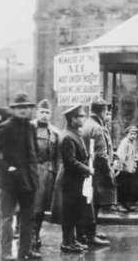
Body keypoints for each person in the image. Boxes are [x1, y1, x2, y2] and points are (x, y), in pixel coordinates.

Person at [0, 93, 40, 261]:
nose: (23, 110)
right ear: (14, 110)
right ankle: (6, 253)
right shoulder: (5, 127)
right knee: (7, 218)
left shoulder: (31, 127)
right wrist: (7, 169)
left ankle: (25, 251)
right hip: (10, 182)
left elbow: (34, 152)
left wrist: (33, 172)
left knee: (27, 219)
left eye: (26, 107)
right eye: (19, 108)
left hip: (29, 181)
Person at [56, 104, 93, 254]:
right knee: (69, 212)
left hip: (77, 180)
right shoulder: (67, 137)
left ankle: (72, 241)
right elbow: (70, 162)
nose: (84, 118)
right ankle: (66, 242)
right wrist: (88, 169)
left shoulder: (75, 134)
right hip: (70, 180)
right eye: (81, 116)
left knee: (76, 210)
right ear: (73, 119)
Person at [81, 96, 116, 247]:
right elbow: (101, 155)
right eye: (107, 111)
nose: (108, 114)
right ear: (102, 112)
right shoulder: (97, 128)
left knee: (88, 202)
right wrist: (109, 175)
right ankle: (90, 235)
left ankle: (87, 233)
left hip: (87, 169)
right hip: (96, 172)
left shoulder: (87, 124)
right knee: (94, 203)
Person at [31, 99, 60, 251]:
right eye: (42, 112)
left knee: (41, 206)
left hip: (48, 173)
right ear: (37, 112)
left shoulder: (55, 132)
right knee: (31, 205)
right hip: (32, 171)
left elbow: (58, 157)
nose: (44, 115)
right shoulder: (29, 128)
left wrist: (55, 173)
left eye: (47, 112)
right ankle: (29, 233)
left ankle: (36, 232)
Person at [115, 126, 138, 212]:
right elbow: (120, 156)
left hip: (130, 168)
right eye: (131, 134)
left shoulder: (133, 143)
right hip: (122, 168)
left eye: (135, 134)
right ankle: (119, 205)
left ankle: (125, 204)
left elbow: (136, 154)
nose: (133, 136)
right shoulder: (124, 142)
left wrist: (134, 164)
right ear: (127, 134)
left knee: (127, 188)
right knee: (122, 187)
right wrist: (120, 168)